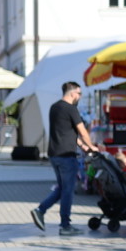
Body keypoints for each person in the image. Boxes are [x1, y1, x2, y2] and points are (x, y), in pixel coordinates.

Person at [31, 82, 104, 236]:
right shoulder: (71, 109)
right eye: (79, 93)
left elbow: (67, 132)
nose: (80, 97)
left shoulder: (54, 107)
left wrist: (82, 146)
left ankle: (40, 210)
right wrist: (92, 146)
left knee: (62, 188)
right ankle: (65, 226)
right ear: (72, 93)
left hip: (54, 154)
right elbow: (82, 131)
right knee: (68, 191)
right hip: (66, 156)